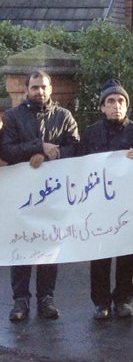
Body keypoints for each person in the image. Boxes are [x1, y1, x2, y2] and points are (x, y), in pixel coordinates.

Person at [2, 70, 80, 321]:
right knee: (22, 245)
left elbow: (76, 149)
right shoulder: (13, 117)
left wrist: (46, 155)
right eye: (34, 87)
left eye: (43, 87)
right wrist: (36, 147)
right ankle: (20, 300)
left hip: (52, 194)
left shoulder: (64, 116)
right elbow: (6, 150)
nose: (39, 91)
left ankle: (47, 298)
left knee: (49, 245)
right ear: (26, 90)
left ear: (51, 88)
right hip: (22, 193)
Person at [78, 80, 133, 320]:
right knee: (100, 252)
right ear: (102, 106)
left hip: (128, 202)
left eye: (121, 101)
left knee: (127, 251)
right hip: (99, 203)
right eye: (111, 101)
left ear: (126, 106)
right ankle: (101, 301)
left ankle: (123, 299)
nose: (116, 106)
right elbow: (79, 166)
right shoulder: (90, 133)